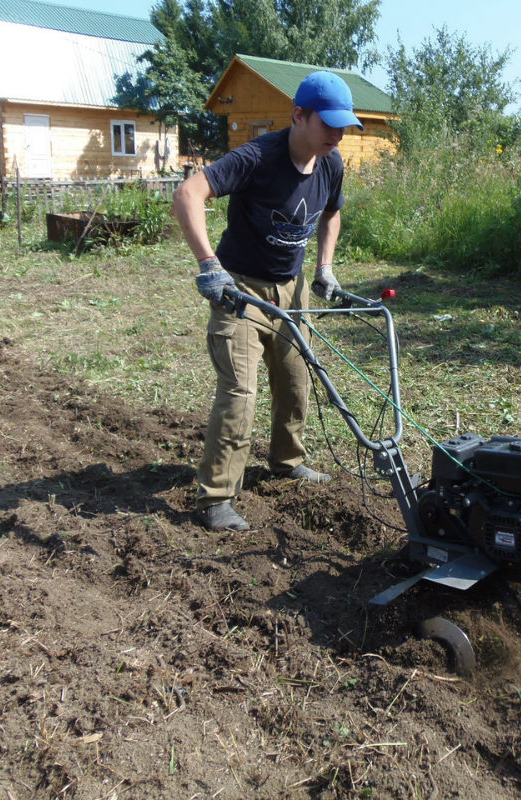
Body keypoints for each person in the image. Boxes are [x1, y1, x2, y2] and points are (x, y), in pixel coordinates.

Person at [173, 70, 363, 532]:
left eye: (343, 126)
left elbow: (331, 212)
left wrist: (324, 268)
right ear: (299, 115)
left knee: (297, 380)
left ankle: (287, 461)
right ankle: (217, 496)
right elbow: (188, 193)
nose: (337, 135)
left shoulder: (331, 162)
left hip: (291, 288)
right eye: (328, 124)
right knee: (240, 391)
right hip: (240, 287)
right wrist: (208, 265)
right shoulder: (257, 157)